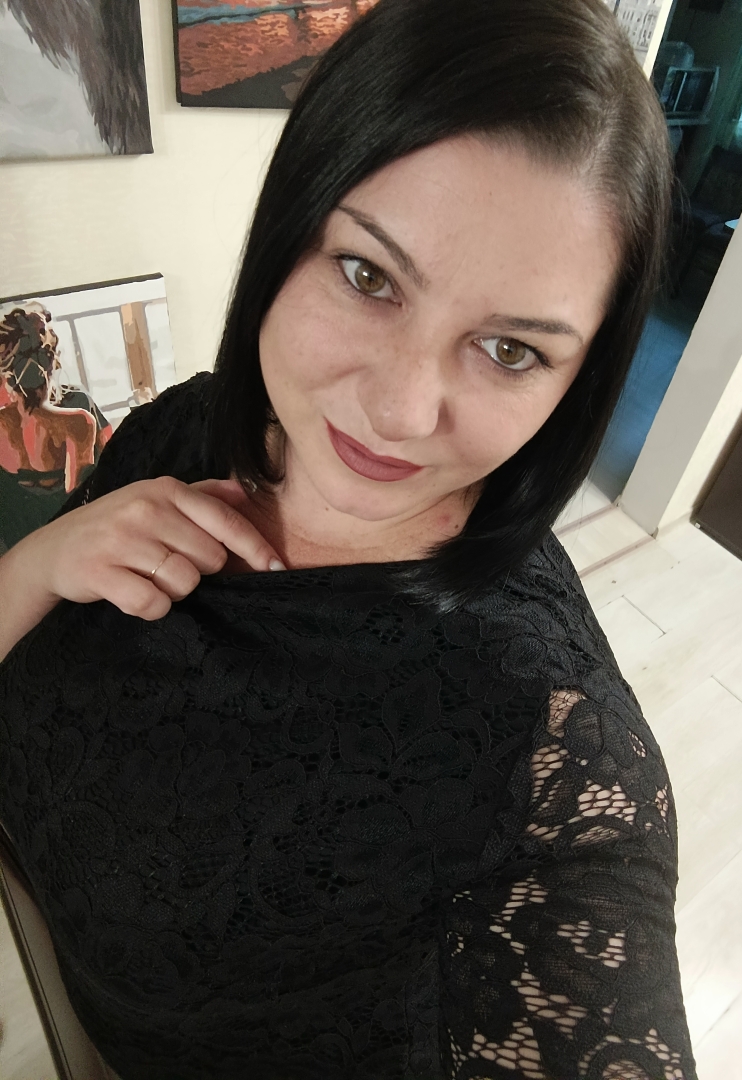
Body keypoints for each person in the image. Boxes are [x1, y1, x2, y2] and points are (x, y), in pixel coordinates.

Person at [0, 1, 698, 1077]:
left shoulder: (544, 757)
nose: (399, 411)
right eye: (369, 277)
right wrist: (37, 564)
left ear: (579, 381)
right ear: (290, 229)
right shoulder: (180, 427)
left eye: (510, 350)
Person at [0, 307, 100, 550]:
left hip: (14, 555)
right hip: (68, 547)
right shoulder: (78, 423)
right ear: (52, 363)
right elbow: (84, 504)